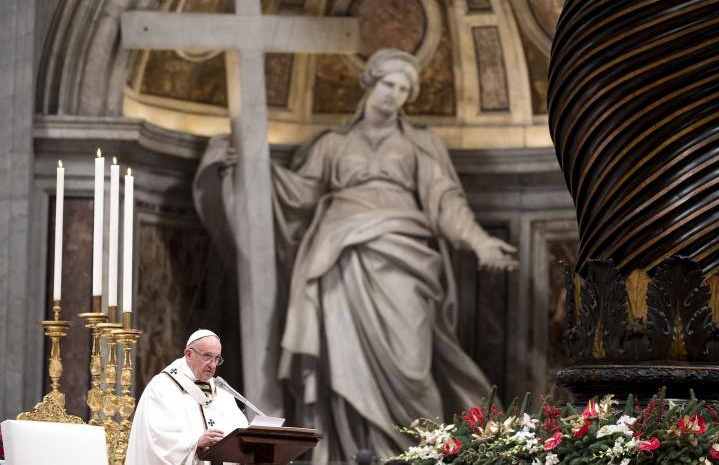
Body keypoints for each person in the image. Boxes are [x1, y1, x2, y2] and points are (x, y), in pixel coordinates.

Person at [195, 49, 517, 463]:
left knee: (412, 367)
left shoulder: (420, 143)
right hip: (338, 260)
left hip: (403, 260)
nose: (395, 95)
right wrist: (251, 166)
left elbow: (446, 202)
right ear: (370, 83)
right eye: (389, 84)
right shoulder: (334, 144)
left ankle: (422, 455)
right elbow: (298, 195)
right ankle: (346, 455)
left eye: (404, 89)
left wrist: (480, 242)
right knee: (341, 368)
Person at [126, 329, 248, 465]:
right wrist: (196, 443)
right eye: (207, 356)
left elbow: (241, 432)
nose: (213, 365)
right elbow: (156, 438)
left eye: (217, 358)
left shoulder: (221, 392)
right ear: (189, 354)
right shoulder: (162, 387)